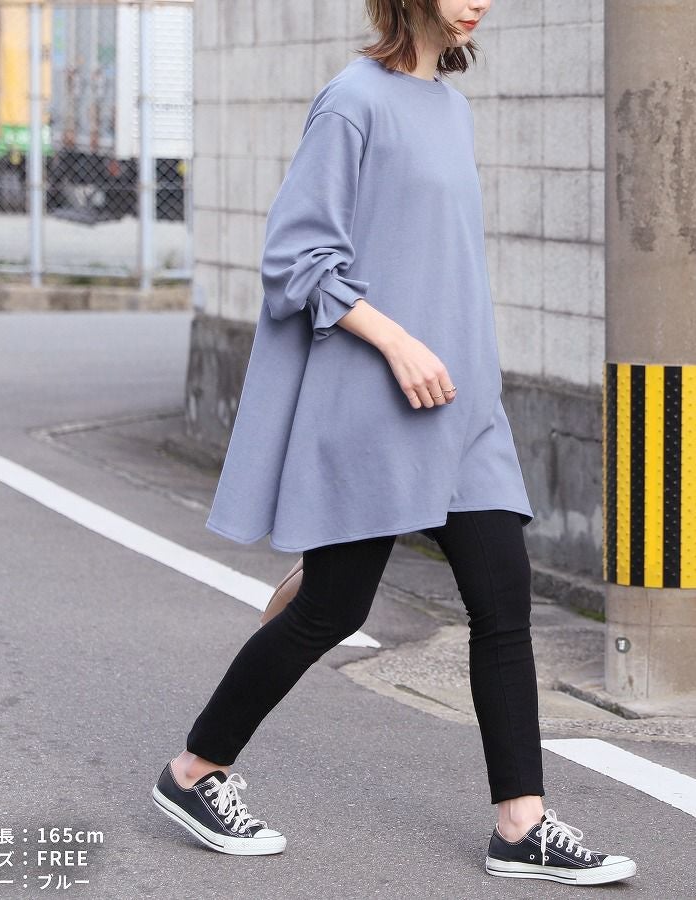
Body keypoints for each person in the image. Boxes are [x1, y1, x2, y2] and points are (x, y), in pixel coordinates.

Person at [152, 0, 638, 885]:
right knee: (332, 611)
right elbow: (297, 257)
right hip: (376, 398)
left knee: (503, 602)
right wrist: (398, 340)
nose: (480, 1)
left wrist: (475, 378)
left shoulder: (451, 109)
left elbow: (443, 262)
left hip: (462, 409)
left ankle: (520, 825)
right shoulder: (353, 101)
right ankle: (193, 772)